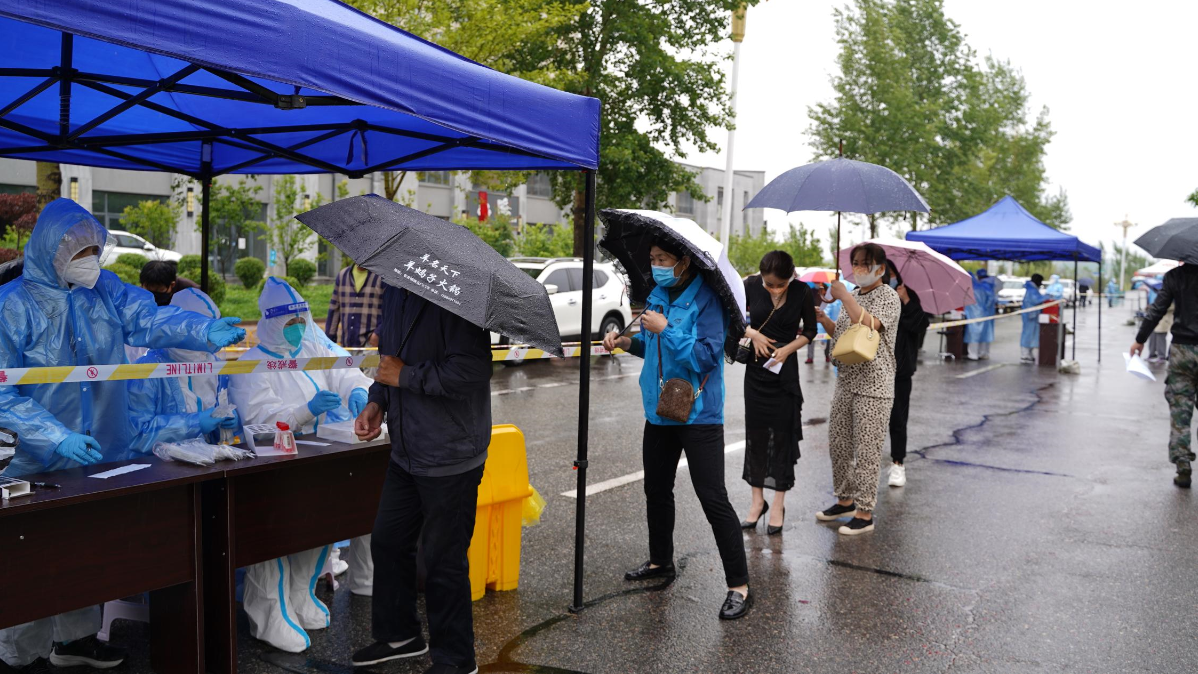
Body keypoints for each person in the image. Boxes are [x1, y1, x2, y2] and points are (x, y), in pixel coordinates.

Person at [0, 199, 244, 672]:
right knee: (29, 555)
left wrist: (203, 329)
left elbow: (148, 318)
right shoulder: (11, 308)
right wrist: (53, 437)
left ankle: (76, 640)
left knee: (83, 550)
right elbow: (3, 393)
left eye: (95, 247)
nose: (91, 258)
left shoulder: (104, 290)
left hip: (96, 449)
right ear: (52, 250)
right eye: (80, 250)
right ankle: (18, 650)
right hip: (33, 455)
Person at [603, 237, 750, 620]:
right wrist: (624, 342)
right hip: (660, 411)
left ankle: (739, 585)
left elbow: (705, 357)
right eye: (652, 259)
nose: (656, 265)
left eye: (662, 258)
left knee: (713, 498)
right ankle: (660, 562)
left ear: (684, 261)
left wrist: (666, 328)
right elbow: (653, 350)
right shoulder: (657, 295)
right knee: (656, 490)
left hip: (699, 415)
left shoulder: (708, 300)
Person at [350, 283, 493, 673]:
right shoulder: (396, 290)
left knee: (442, 562)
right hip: (406, 448)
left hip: (452, 453)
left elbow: (474, 370)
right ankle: (400, 635)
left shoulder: (458, 297)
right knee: (389, 540)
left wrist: (406, 377)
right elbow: (389, 361)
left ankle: (457, 660)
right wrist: (377, 401)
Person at [228, 278, 373, 653]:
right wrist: (303, 412)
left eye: (300, 320)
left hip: (316, 462)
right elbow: (258, 420)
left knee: (319, 529)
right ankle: (269, 613)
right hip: (272, 471)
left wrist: (357, 390)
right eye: (288, 322)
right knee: (273, 539)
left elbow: (345, 371)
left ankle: (299, 596)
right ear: (271, 322)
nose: (297, 328)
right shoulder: (251, 364)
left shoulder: (309, 348)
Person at [813, 243, 900, 536]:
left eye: (866, 263)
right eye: (856, 263)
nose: (860, 268)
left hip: (874, 386)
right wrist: (824, 319)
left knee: (867, 450)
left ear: (881, 268)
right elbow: (843, 335)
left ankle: (864, 512)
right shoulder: (853, 297)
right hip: (846, 381)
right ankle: (845, 500)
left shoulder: (888, 295)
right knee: (838, 443)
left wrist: (845, 296)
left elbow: (872, 326)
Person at [739, 251, 816, 535]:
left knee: (782, 438)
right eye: (769, 284)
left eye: (779, 284)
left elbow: (810, 330)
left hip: (785, 375)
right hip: (756, 375)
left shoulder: (802, 291)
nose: (773, 289)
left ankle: (778, 503)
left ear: (791, 277)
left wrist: (787, 349)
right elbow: (732, 318)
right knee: (756, 437)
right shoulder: (749, 285)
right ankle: (757, 502)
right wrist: (752, 334)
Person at [127, 289, 240, 455]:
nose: (211, 339)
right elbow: (137, 435)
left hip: (208, 465)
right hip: (161, 472)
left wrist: (226, 421)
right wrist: (195, 423)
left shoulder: (214, 365)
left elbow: (217, 426)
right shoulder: (148, 370)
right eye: (205, 331)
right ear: (180, 329)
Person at [1131, 262, 1198, 488]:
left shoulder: (1175, 276)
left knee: (1180, 409)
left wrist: (1140, 339)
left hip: (1181, 351)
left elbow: (1157, 309)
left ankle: (1183, 468)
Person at [885, 260, 929, 488]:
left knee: (898, 419)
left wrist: (907, 301)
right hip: (872, 369)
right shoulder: (866, 295)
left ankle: (897, 463)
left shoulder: (907, 294)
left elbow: (921, 325)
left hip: (901, 369)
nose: (888, 276)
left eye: (891, 272)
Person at [327, 262, 386, 347]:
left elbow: (391, 312)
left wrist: (378, 334)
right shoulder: (342, 275)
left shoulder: (381, 277)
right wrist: (330, 340)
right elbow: (334, 309)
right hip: (347, 344)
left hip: (371, 345)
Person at [965, 269, 998, 361]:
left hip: (973, 314)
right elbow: (992, 298)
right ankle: (983, 353)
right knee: (984, 334)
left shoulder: (971, 289)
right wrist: (986, 308)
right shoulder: (983, 287)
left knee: (973, 335)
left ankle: (973, 354)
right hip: (983, 314)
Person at [806, 285, 840, 364]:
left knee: (829, 338)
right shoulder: (811, 291)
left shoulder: (830, 293)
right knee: (811, 338)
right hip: (814, 318)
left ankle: (827, 355)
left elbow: (830, 307)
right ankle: (810, 357)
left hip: (826, 318)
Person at [1020, 274, 1047, 363]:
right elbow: (1036, 300)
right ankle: (1024, 354)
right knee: (1028, 334)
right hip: (1030, 316)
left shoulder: (1032, 289)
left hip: (1033, 316)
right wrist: (1047, 296)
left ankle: (1029, 353)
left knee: (1032, 335)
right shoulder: (1032, 290)